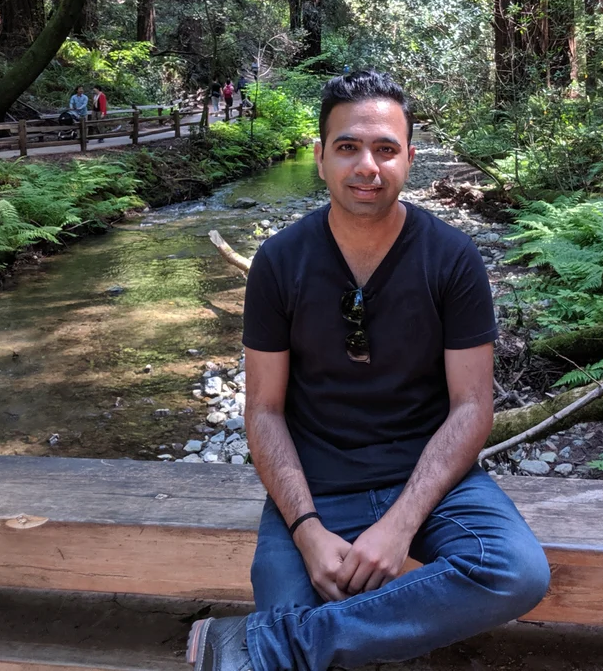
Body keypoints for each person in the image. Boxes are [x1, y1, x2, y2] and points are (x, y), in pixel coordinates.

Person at [185, 70, 550, 671]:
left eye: (385, 149)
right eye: (349, 147)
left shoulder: (452, 259)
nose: (367, 167)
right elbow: (265, 411)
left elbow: (472, 407)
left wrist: (400, 525)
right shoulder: (281, 261)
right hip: (315, 485)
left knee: (514, 571)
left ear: (410, 157)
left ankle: (269, 644)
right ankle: (286, 640)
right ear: (320, 157)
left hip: (432, 484)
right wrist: (305, 528)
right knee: (292, 612)